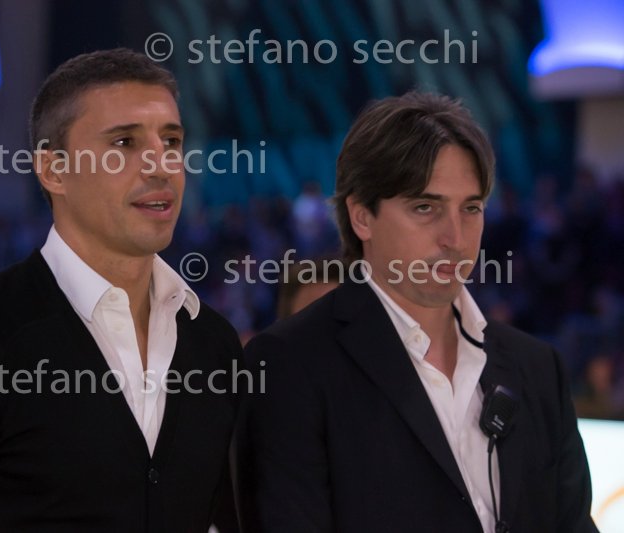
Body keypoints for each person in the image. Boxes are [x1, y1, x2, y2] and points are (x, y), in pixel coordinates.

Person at [0, 48, 243, 532]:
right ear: (54, 170)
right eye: (124, 142)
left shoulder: (213, 344)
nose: (160, 166)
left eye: (171, 141)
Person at [235, 92, 598, 532]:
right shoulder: (290, 362)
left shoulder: (538, 368)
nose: (455, 237)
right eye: (425, 207)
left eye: (471, 208)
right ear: (361, 216)